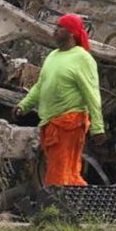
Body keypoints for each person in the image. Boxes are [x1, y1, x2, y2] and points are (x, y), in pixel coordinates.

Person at [13, 14, 105, 186]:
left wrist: (97, 127)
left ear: (71, 33)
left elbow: (92, 95)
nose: (54, 30)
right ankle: (75, 208)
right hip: (51, 123)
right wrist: (24, 105)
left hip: (69, 123)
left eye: (59, 27)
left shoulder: (83, 58)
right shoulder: (53, 55)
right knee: (66, 173)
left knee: (59, 174)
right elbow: (41, 85)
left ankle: (56, 210)